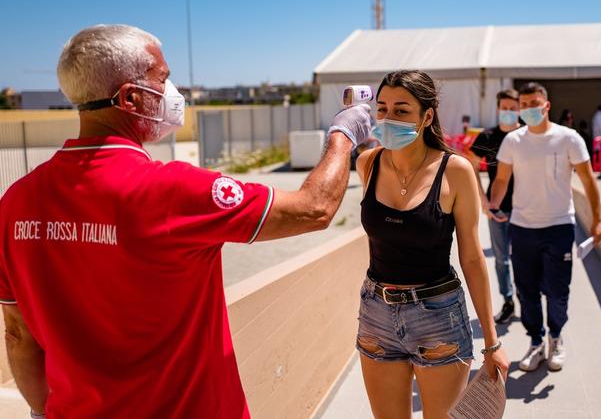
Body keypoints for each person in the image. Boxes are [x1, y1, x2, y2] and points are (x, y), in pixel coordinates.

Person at [0, 25, 372, 418]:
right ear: (130, 98)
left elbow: (17, 332)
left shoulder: (16, 202)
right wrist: (343, 135)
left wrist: (45, 412)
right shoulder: (172, 189)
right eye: (163, 78)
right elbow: (313, 209)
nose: (173, 91)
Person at [355, 70, 510, 418]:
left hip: (438, 316)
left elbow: (472, 258)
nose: (388, 118)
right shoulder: (367, 163)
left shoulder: (455, 171)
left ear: (427, 116)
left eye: (401, 110)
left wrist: (492, 342)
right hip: (376, 314)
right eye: (382, 109)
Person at [489, 82, 601, 373]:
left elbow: (589, 181)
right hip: (522, 227)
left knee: (556, 291)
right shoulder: (513, 141)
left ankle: (556, 337)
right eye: (524, 104)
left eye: (534, 103)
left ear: (546, 105)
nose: (528, 109)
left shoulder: (569, 139)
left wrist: (597, 219)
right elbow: (501, 179)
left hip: (558, 227)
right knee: (526, 291)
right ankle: (536, 342)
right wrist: (494, 205)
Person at [467, 89, 521, 325]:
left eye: (513, 108)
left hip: (525, 209)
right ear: (498, 108)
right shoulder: (487, 136)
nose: (508, 112)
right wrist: (483, 201)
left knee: (524, 258)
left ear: (519, 109)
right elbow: (470, 165)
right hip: (497, 208)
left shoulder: (527, 135)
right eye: (504, 108)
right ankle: (508, 301)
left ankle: (527, 300)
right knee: (501, 259)